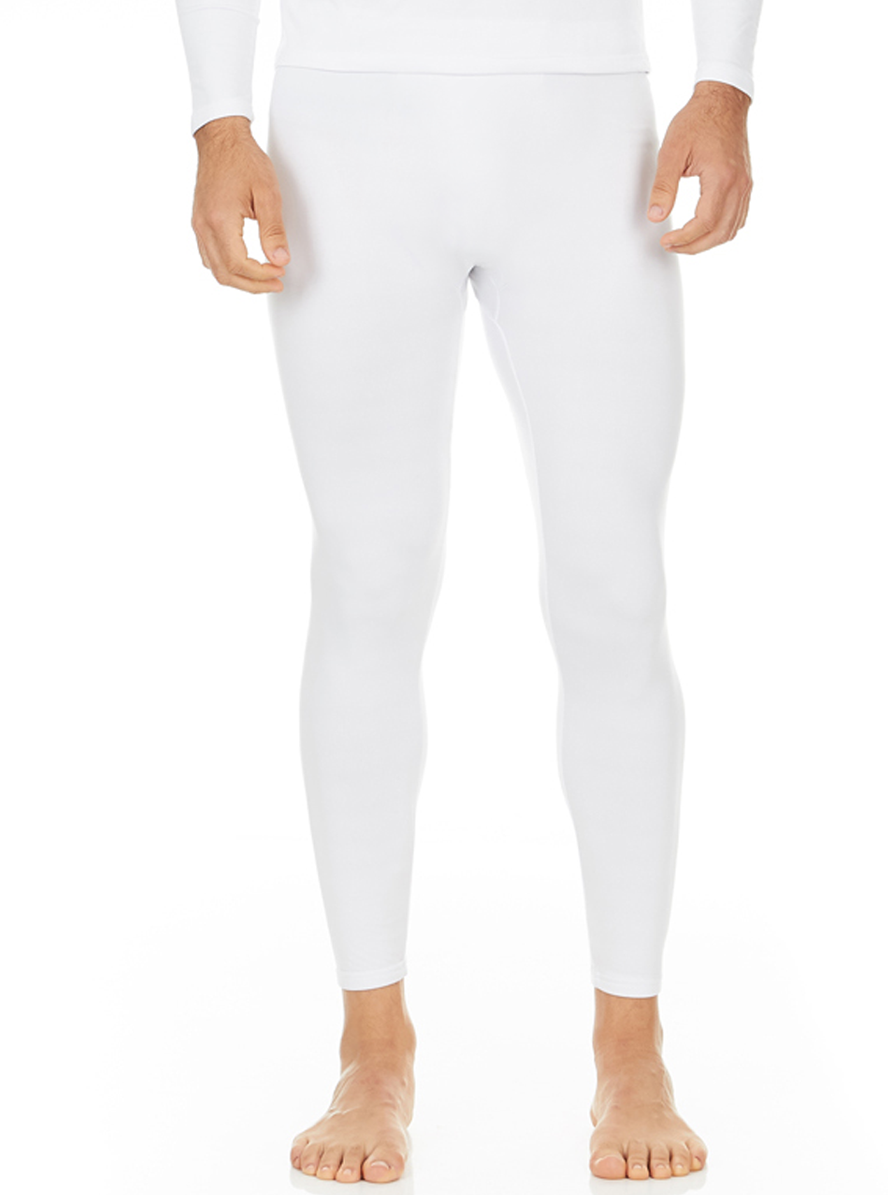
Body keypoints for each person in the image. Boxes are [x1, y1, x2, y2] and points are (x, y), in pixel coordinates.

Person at [175, 0, 762, 1182]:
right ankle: (371, 1046)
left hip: (585, 122)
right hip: (347, 126)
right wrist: (218, 117)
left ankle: (631, 1044)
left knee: (615, 586)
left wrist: (726, 80)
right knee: (368, 575)